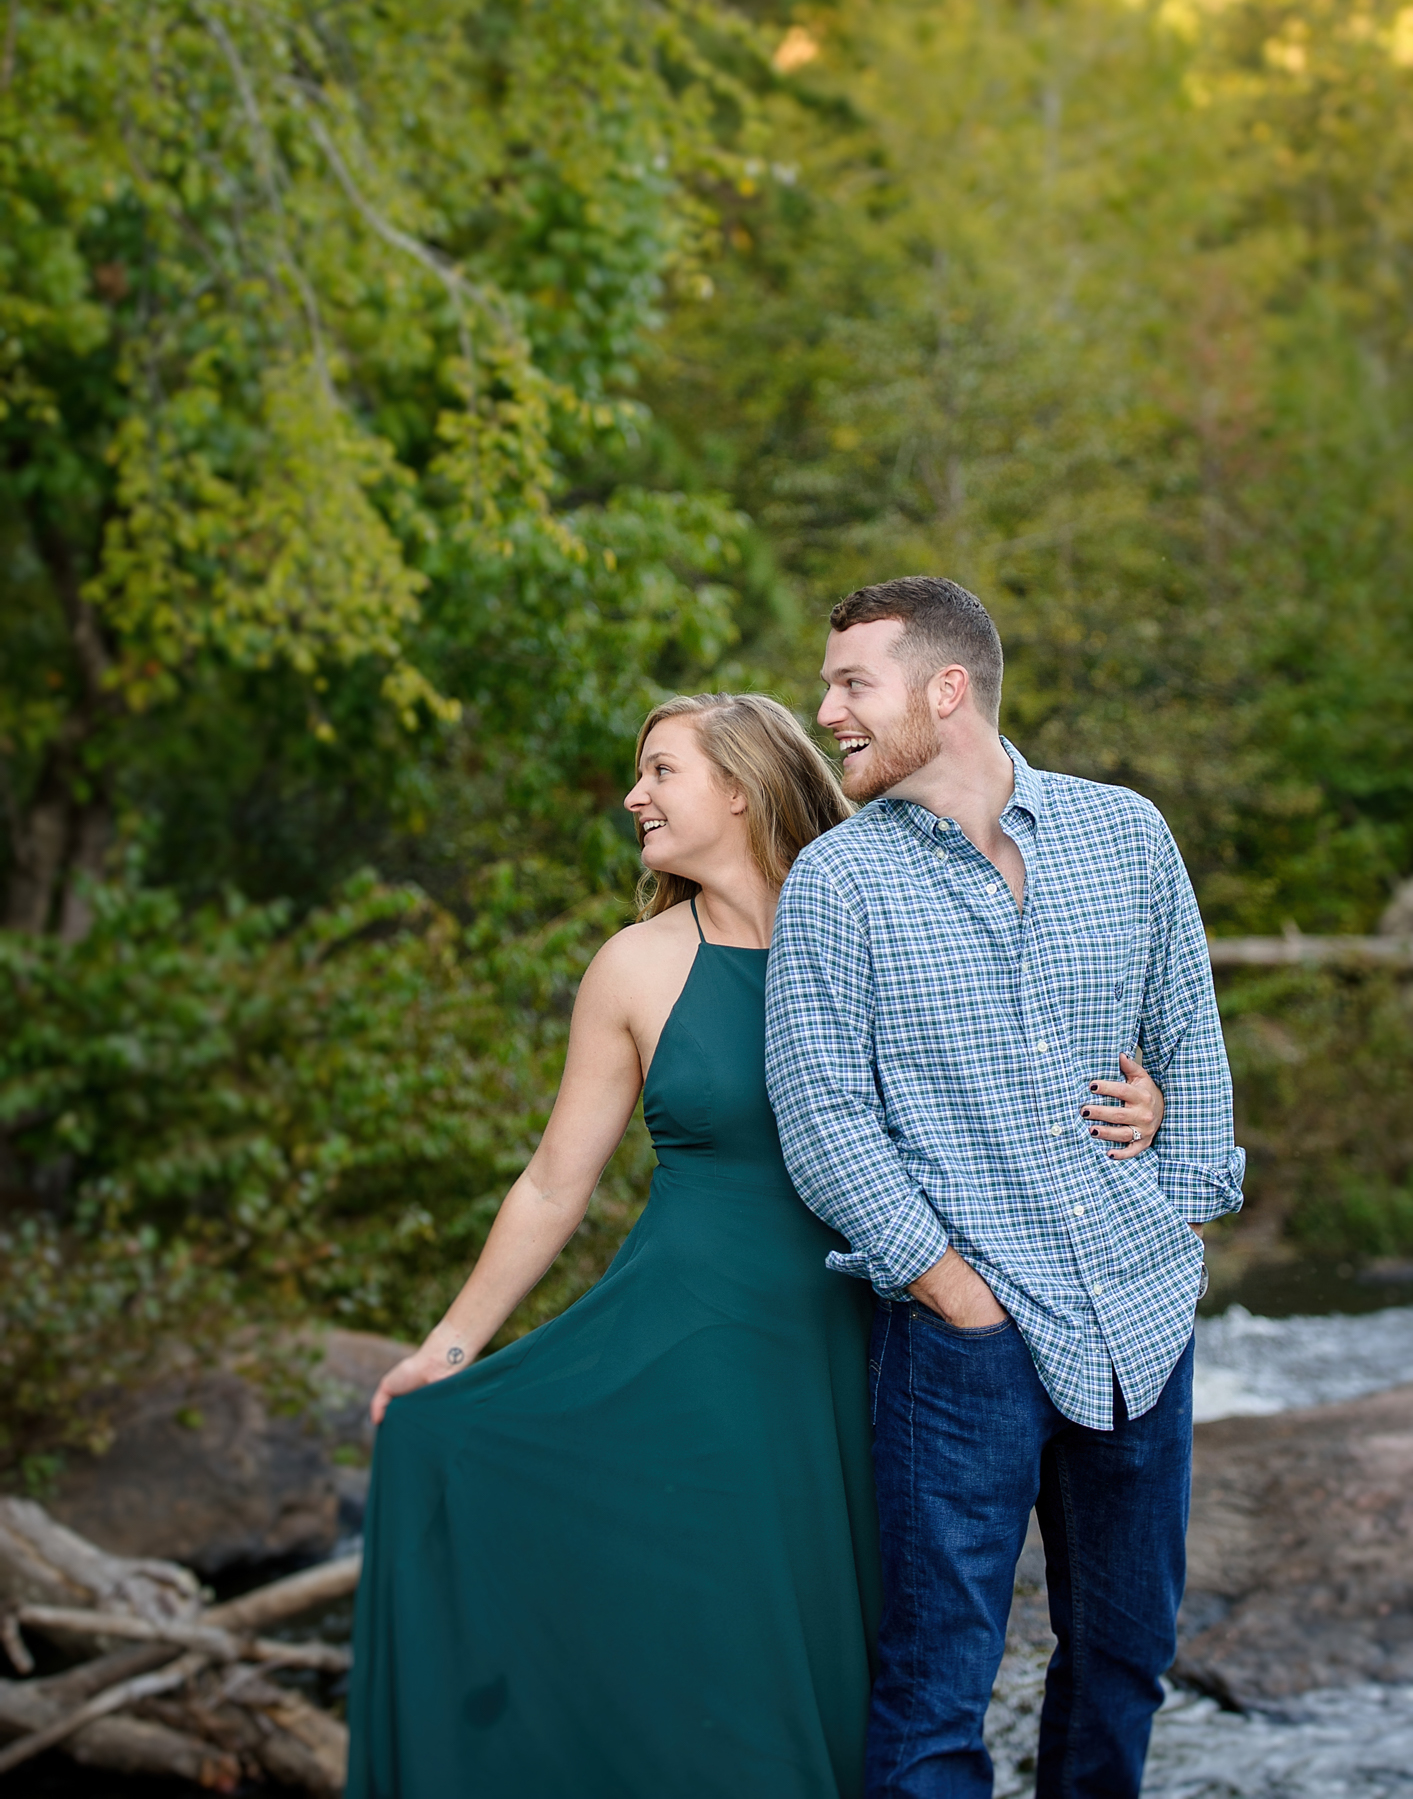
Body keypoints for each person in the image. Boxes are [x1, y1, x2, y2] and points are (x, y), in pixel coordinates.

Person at [345, 693, 881, 1799]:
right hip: (691, 1347)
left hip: (862, 1337)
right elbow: (553, 1183)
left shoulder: (877, 918)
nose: (633, 795)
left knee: (849, 1644)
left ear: (737, 784)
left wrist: (1145, 1102)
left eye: (659, 770)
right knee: (723, 1652)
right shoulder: (635, 964)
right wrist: (448, 1345)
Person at [764, 576, 1245, 1799]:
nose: (827, 712)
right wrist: (950, 1288)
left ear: (946, 688)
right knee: (938, 1682)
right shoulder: (838, 885)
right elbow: (823, 1117)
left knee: (1127, 1654)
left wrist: (1178, 1202)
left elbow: (1188, 1039)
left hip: (1137, 1313)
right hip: (960, 1343)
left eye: (851, 684)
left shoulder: (1125, 832)